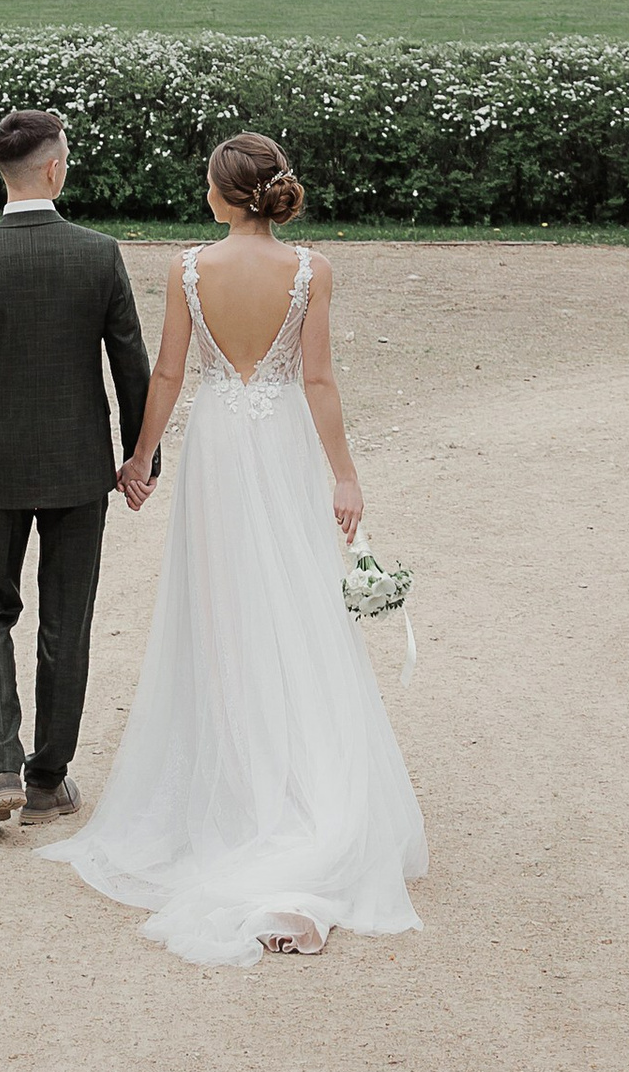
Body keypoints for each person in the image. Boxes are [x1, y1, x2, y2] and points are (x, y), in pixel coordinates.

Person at [37, 129, 428, 966]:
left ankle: (239, 787)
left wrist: (140, 458)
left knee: (221, 610)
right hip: (283, 443)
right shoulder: (310, 269)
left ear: (221, 193)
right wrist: (345, 476)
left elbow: (169, 375)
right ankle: (303, 794)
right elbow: (317, 379)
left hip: (218, 447)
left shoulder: (190, 269)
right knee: (297, 608)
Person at [0, 105, 153, 835]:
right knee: (67, 620)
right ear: (54, 168)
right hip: (78, 469)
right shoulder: (98, 254)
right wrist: (139, 456)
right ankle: (48, 780)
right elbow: (130, 363)